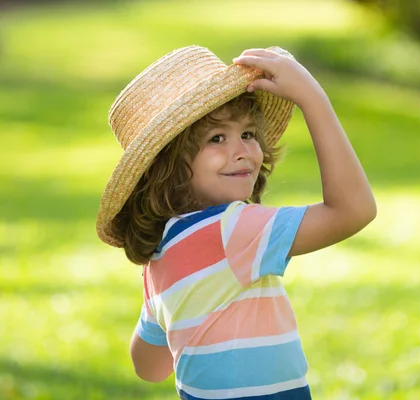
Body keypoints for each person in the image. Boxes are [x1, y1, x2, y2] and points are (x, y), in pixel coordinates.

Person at [96, 45, 376, 400]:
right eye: (217, 139)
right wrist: (312, 97)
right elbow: (354, 210)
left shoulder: (158, 259)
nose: (243, 150)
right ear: (167, 167)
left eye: (247, 134)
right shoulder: (234, 228)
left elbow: (149, 367)